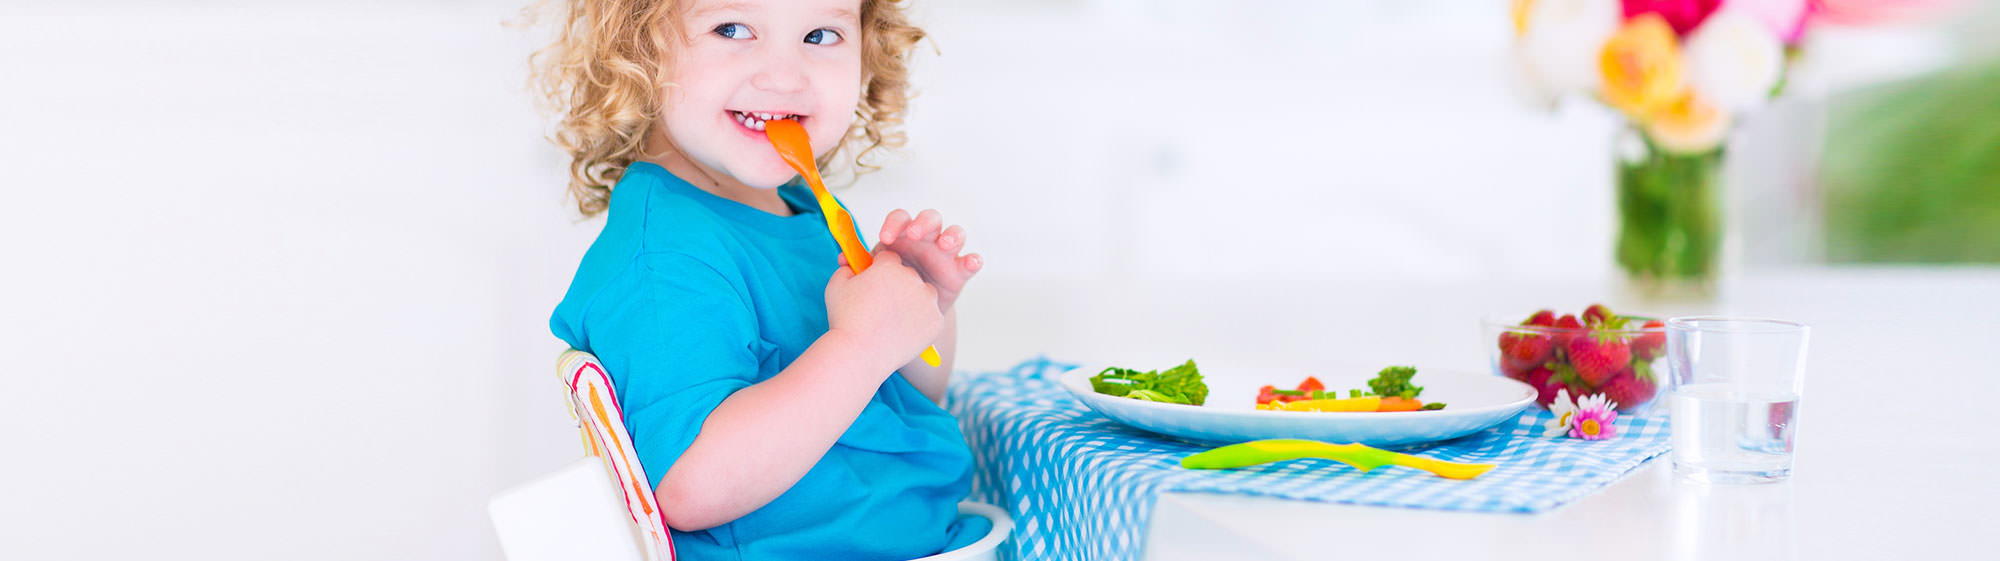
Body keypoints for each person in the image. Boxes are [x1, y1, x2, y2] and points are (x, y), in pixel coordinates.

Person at [533, 0, 986, 558]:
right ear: (639, 49)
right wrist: (862, 345)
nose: (784, 75)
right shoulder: (665, 261)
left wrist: (923, 311)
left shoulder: (802, 208)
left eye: (820, 34)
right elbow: (688, 485)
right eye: (733, 28)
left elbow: (911, 396)